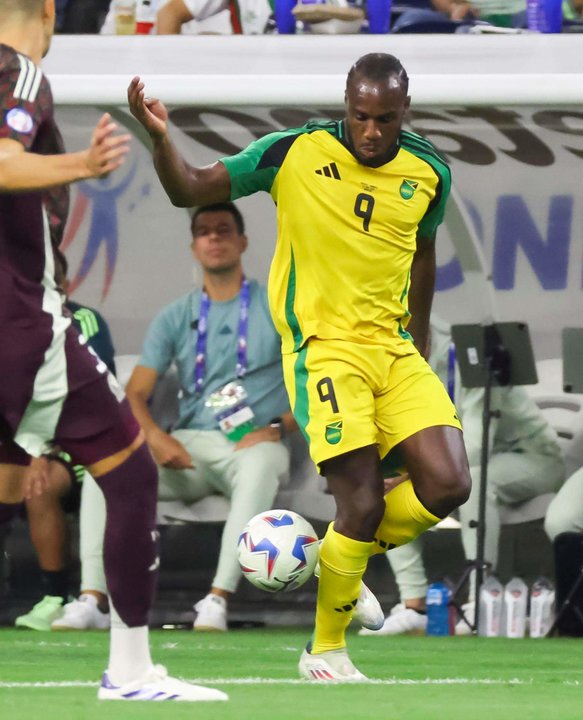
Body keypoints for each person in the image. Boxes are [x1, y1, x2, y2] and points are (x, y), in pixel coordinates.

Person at [128, 51, 472, 681]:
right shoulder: (295, 152)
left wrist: (418, 342)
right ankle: (326, 649)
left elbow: (421, 254)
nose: (371, 131)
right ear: (346, 104)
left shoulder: (429, 171)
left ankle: (337, 558)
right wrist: (160, 140)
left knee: (449, 485)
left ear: (405, 112)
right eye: (360, 116)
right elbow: (190, 188)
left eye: (385, 119)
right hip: (324, 350)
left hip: (393, 351)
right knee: (363, 501)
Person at [0, 0, 225, 702]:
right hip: (20, 323)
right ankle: (129, 670)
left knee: (22, 488)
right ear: (48, 9)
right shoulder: (22, 72)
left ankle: (129, 664)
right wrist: (84, 163)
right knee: (128, 475)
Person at [127, 201, 296, 632]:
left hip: (252, 445)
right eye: (205, 231)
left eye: (224, 230)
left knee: (260, 463)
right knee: (106, 469)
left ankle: (217, 598)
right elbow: (135, 392)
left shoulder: (275, 304)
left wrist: (277, 427)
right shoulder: (175, 315)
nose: (215, 238)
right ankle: (91, 598)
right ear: (194, 246)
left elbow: (316, 376)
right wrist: (154, 437)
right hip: (187, 447)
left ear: (243, 242)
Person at [360, 314, 566, 637]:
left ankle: (477, 598)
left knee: (479, 479)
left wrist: (415, 474)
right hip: (463, 462)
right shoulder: (394, 362)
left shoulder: (467, 356)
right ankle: (414, 604)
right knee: (385, 488)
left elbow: (473, 446)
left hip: (534, 458)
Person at [13, 255, 115, 631]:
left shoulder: (84, 322)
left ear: (64, 283)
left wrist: (44, 449)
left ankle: (57, 595)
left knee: (38, 484)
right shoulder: (13, 327)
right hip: (25, 446)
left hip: (80, 447)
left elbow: (98, 401)